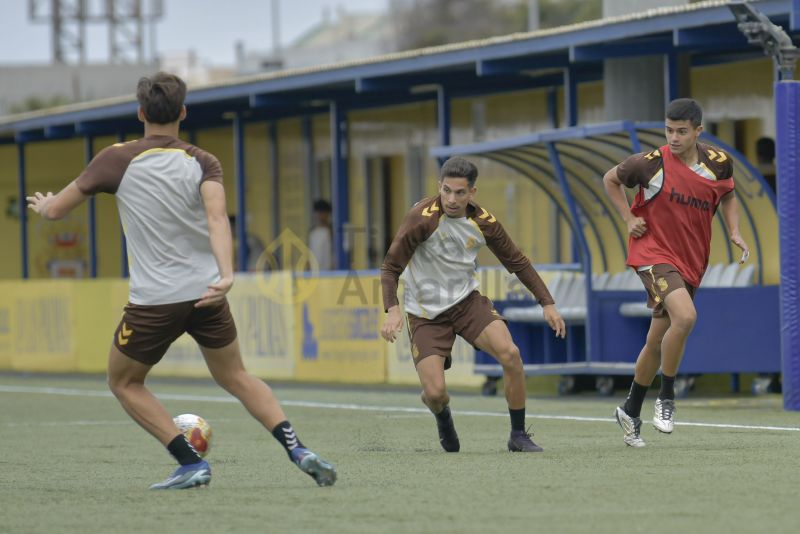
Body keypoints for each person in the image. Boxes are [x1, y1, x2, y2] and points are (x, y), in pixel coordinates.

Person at [26, 72, 336, 489]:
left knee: (123, 381)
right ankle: (297, 448)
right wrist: (226, 274)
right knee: (237, 377)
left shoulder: (115, 159)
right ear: (183, 113)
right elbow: (216, 218)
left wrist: (45, 206)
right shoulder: (203, 160)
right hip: (206, 292)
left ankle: (190, 462)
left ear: (140, 113)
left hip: (155, 300)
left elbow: (57, 211)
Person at [380, 156, 566, 453]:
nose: (451, 199)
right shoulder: (421, 217)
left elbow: (517, 261)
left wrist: (548, 303)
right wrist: (392, 310)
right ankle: (443, 417)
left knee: (511, 354)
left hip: (467, 304)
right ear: (439, 187)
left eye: (459, 193)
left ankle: (518, 435)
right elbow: (390, 267)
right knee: (436, 393)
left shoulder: (483, 222)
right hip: (426, 314)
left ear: (472, 193)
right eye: (446, 191)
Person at [602, 98, 749, 447]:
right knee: (685, 317)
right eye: (669, 130)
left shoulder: (718, 164)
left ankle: (630, 409)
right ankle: (667, 398)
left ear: (699, 131)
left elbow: (728, 196)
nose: (674, 137)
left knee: (655, 343)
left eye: (682, 131)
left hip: (691, 263)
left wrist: (734, 230)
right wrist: (629, 218)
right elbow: (610, 179)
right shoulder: (649, 164)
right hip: (652, 254)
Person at [308, 199, 333, 270]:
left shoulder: (331, 231)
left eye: (322, 212)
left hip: (329, 272)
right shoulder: (312, 232)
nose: (319, 215)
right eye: (317, 212)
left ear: (327, 214)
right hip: (315, 272)